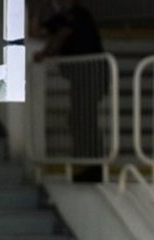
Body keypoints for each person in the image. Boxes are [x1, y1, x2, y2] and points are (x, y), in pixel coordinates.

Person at [34, 0, 106, 182]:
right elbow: (34, 32)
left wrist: (44, 54)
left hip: (91, 76)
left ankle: (93, 166)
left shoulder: (78, 14)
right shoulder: (63, 17)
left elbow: (62, 35)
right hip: (81, 77)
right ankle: (88, 164)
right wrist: (39, 9)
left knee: (84, 120)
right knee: (79, 119)